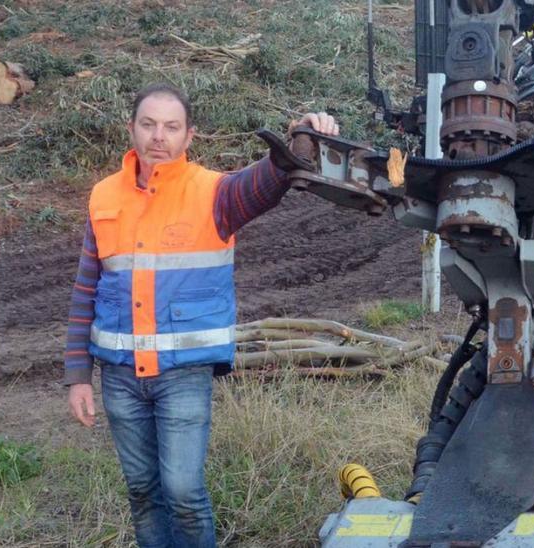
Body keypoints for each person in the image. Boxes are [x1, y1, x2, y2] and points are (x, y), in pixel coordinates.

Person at [62, 82, 339, 547]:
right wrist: (77, 375)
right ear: (131, 128)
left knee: (184, 492)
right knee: (143, 491)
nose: (158, 136)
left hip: (182, 375)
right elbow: (86, 287)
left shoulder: (215, 193)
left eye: (171, 127)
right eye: (148, 124)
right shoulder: (103, 196)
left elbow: (270, 179)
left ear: (189, 136)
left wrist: (302, 138)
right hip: (118, 376)